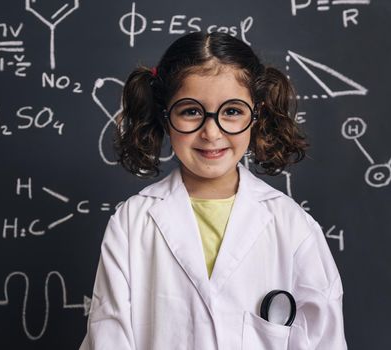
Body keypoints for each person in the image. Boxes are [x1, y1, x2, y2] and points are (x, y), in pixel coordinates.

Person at [79, 32, 347, 349]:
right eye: (191, 111)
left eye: (232, 111)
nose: (211, 132)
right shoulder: (131, 224)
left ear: (255, 116)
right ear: (166, 117)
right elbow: (109, 336)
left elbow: (323, 339)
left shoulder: (293, 227)